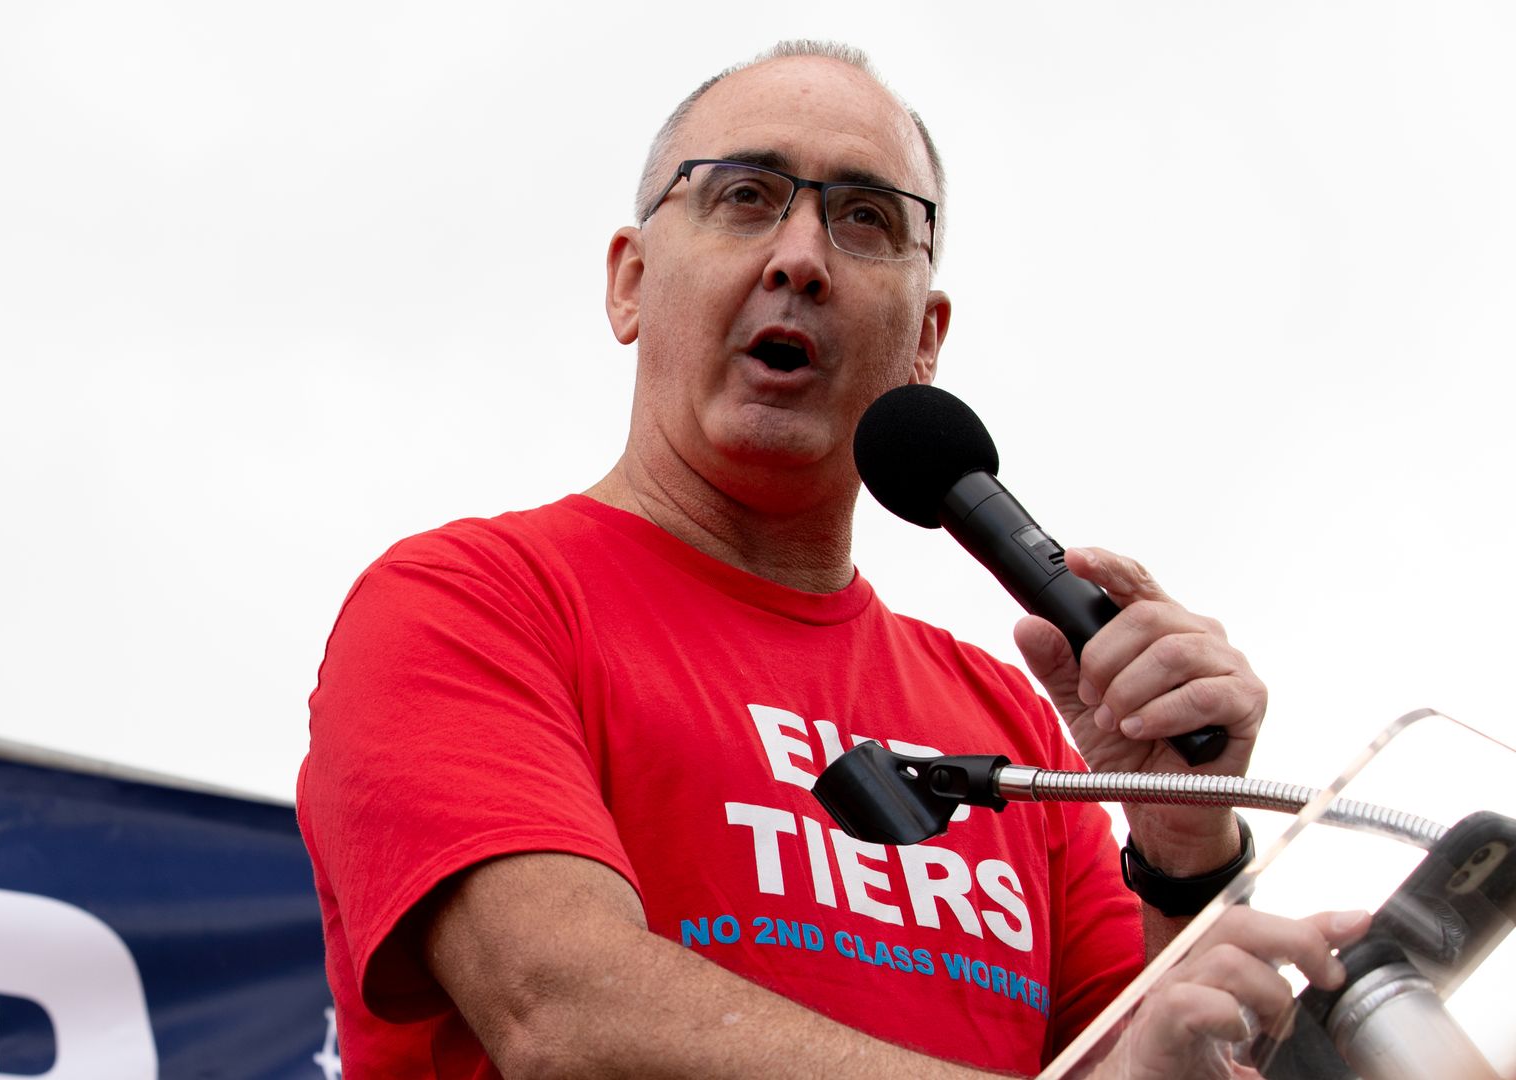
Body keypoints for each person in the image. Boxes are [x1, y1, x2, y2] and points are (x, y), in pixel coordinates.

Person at [298, 40, 1364, 1078]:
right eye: (745, 196)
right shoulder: (463, 604)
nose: (800, 258)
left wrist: (1184, 852)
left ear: (926, 343)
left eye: (865, 218)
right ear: (629, 283)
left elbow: (1141, 1061)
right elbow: (567, 1015)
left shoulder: (1007, 720)